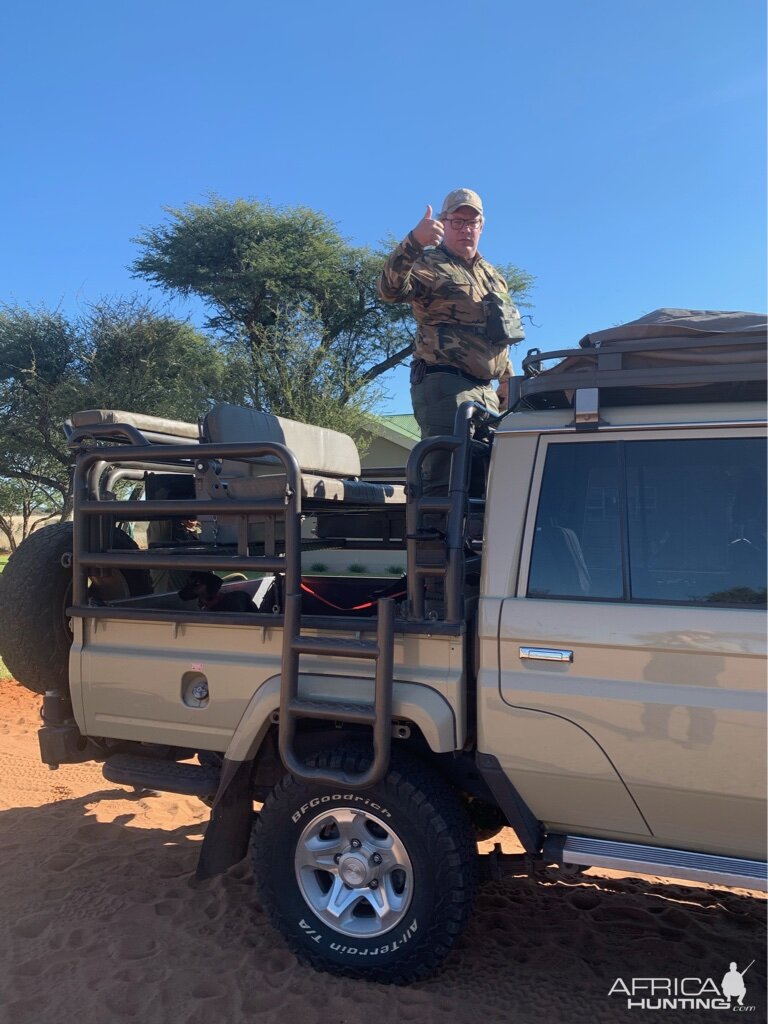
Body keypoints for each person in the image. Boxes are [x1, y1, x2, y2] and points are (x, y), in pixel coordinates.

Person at [378, 188, 524, 495]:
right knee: (446, 482)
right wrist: (413, 242)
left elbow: (500, 331)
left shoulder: (493, 276)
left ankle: (476, 544)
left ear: (482, 225)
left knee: (483, 484)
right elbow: (389, 290)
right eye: (457, 221)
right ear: (444, 223)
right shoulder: (428, 262)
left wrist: (507, 380)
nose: (465, 229)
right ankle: (435, 543)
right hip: (444, 382)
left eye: (472, 222)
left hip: (486, 391)